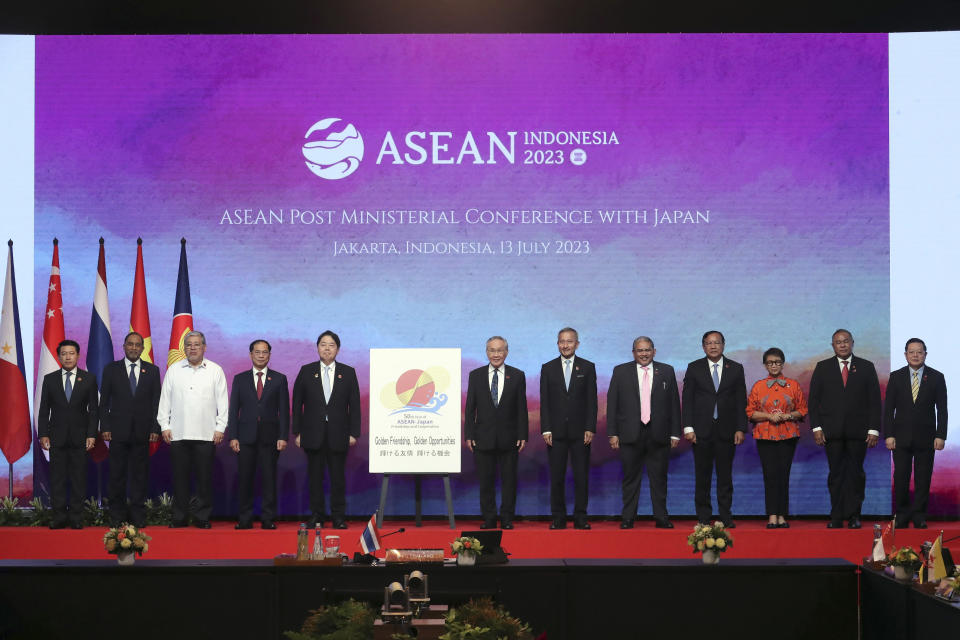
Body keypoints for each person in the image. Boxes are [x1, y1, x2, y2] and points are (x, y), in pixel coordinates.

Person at [808, 329, 881, 529]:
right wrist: (816, 428)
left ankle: (854, 515)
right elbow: (813, 401)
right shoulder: (823, 368)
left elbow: (875, 401)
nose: (842, 345)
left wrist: (873, 429)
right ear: (833, 346)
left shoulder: (866, 367)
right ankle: (836, 516)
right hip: (831, 433)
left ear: (852, 343)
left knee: (856, 474)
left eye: (845, 341)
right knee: (836, 474)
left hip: (859, 433)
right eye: (838, 342)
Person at [607, 336, 680, 529]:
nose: (644, 354)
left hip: (659, 433)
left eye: (647, 350)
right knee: (630, 478)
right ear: (633, 353)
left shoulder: (666, 371)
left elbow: (674, 404)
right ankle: (628, 517)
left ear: (654, 351)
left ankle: (661, 517)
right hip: (630, 433)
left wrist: (675, 433)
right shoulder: (621, 371)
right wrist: (612, 433)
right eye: (640, 350)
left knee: (659, 478)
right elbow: (612, 403)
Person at [157, 330, 229, 528]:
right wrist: (165, 425)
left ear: (204, 347)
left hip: (206, 434)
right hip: (178, 434)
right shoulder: (174, 369)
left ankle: (202, 517)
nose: (193, 348)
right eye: (189, 345)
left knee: (204, 480)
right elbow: (165, 401)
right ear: (184, 348)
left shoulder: (215, 370)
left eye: (197, 344)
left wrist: (220, 427)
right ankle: (179, 518)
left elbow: (223, 403)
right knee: (180, 479)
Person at [292, 330, 361, 529]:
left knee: (338, 479)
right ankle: (317, 515)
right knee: (314, 478)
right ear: (317, 348)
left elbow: (354, 405)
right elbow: (297, 404)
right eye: (323, 344)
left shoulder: (348, 372)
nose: (327, 348)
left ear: (337, 349)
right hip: (312, 434)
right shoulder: (306, 371)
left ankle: (338, 517)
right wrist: (297, 432)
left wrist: (353, 433)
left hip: (339, 435)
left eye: (331, 345)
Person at [682, 331, 747, 527]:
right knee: (702, 476)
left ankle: (726, 516)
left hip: (727, 432)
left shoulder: (735, 368)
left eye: (716, 343)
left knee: (725, 477)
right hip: (700, 432)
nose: (713, 346)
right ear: (703, 346)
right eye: (709, 343)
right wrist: (688, 427)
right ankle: (703, 517)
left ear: (723, 345)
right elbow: (687, 400)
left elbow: (740, 400)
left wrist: (740, 428)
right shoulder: (694, 368)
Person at [465, 336, 529, 529]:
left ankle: (507, 518)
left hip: (509, 438)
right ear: (486, 352)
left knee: (509, 481)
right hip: (482, 438)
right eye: (492, 350)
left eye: (499, 350)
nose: (496, 354)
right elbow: (470, 408)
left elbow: (521, 408)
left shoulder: (517, 375)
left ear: (506, 352)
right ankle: (489, 518)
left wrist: (522, 434)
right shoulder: (475, 375)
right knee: (486, 482)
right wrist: (469, 434)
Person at [883, 338, 948, 529]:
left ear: (925, 354)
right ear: (905, 355)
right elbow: (888, 410)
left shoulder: (936, 377)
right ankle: (902, 515)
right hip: (900, 437)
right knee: (901, 477)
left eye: (919, 352)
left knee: (923, 477)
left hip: (927, 437)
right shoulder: (896, 377)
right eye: (911, 352)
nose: (915, 355)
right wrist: (889, 435)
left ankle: (919, 515)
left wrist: (940, 435)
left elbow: (942, 410)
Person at [99, 331, 161, 527]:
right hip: (117, 432)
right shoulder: (111, 369)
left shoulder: (152, 370)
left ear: (143, 348)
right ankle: (116, 517)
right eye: (130, 344)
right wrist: (105, 426)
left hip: (143, 433)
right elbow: (104, 402)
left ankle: (138, 516)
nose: (134, 348)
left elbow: (156, 402)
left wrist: (155, 428)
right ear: (124, 346)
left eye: (137, 345)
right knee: (116, 476)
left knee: (139, 476)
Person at [227, 339, 289, 530]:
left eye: (264, 352)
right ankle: (245, 519)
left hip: (270, 438)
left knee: (269, 479)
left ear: (269, 355)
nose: (261, 355)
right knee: (245, 479)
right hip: (245, 438)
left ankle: (268, 519)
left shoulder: (279, 378)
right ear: (251, 354)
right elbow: (234, 410)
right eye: (257, 352)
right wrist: (233, 436)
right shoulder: (240, 379)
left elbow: (284, 411)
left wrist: (283, 436)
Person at [539, 327, 597, 529]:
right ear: (557, 344)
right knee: (557, 477)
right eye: (562, 341)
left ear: (577, 344)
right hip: (555, 433)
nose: (565, 345)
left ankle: (581, 516)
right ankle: (558, 517)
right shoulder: (548, 368)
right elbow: (544, 401)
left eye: (569, 341)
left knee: (581, 476)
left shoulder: (588, 367)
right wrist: (546, 429)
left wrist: (590, 427)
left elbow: (592, 400)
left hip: (581, 433)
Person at [37, 339, 98, 529]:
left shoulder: (88, 378)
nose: (68, 357)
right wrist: (43, 434)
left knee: (79, 478)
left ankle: (76, 518)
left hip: (81, 437)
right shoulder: (50, 379)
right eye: (64, 353)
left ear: (78, 355)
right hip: (57, 436)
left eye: (71, 353)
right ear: (58, 356)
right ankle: (59, 517)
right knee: (57, 479)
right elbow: (43, 409)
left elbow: (94, 410)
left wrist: (91, 434)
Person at [746, 348, 807, 529]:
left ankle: (782, 515)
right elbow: (750, 412)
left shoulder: (793, 385)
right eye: (770, 362)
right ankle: (772, 515)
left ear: (782, 364)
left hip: (788, 435)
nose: (774, 365)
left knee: (784, 475)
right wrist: (768, 416)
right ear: (765, 365)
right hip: (765, 436)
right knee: (770, 475)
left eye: (778, 362)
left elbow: (802, 409)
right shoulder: (758, 386)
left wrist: (787, 416)